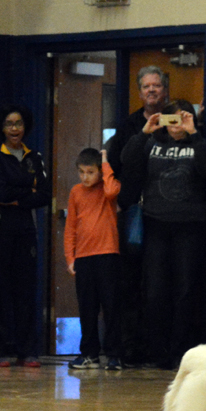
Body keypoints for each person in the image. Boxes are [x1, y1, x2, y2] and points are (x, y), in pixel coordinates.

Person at [121, 99, 206, 369]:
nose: (176, 126)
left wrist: (194, 132)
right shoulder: (153, 143)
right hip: (155, 225)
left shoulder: (198, 143)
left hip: (190, 226)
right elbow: (126, 160)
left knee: (185, 291)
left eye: (181, 120)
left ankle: (180, 352)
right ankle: (157, 351)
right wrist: (145, 131)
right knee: (154, 291)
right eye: (171, 120)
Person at [106, 65, 169, 367]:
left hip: (165, 214)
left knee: (158, 287)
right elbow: (117, 161)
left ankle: (158, 349)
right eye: (146, 86)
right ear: (140, 91)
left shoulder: (175, 119)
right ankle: (129, 349)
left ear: (164, 90)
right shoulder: (129, 124)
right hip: (133, 213)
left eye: (156, 85)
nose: (151, 91)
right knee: (129, 284)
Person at [0, 105, 51, 367]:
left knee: (25, 291)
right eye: (9, 124)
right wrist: (27, 188)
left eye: (19, 123)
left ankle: (27, 351)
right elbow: (2, 193)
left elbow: (44, 195)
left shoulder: (37, 158)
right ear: (2, 127)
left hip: (26, 230)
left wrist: (17, 196)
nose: (14, 129)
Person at [65, 148, 122, 370]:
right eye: (81, 172)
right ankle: (89, 354)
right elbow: (70, 228)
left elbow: (111, 191)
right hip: (84, 258)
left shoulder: (107, 189)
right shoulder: (75, 192)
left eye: (90, 172)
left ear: (100, 172)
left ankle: (114, 355)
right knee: (87, 308)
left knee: (111, 307)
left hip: (107, 255)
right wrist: (70, 257)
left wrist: (106, 162)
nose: (85, 177)